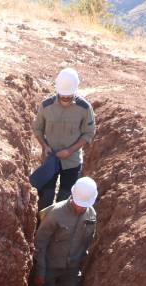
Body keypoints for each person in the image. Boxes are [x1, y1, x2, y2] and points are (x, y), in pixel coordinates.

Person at [32, 68, 96, 211]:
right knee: (45, 198)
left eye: (69, 95)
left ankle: (60, 230)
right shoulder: (46, 106)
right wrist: (44, 146)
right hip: (50, 159)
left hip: (72, 162)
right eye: (63, 95)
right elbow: (37, 129)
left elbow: (89, 133)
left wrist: (70, 150)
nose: (66, 98)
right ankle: (42, 227)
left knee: (66, 200)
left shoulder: (84, 108)